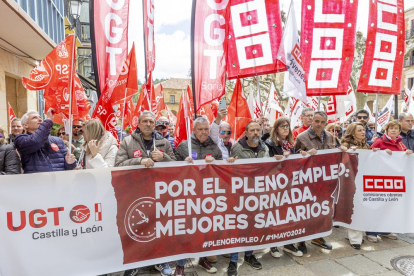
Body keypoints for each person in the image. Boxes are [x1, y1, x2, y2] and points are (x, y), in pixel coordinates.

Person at [115, 110, 176, 276]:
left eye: (151, 122)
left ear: (155, 124)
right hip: (134, 193)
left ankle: (161, 261)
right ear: (139, 124)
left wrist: (163, 158)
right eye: (145, 122)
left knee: (159, 228)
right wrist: (139, 161)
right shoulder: (127, 142)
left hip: (159, 193)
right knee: (135, 228)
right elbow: (118, 165)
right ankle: (134, 263)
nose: (148, 124)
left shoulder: (164, 142)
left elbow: (176, 166)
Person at [174, 117, 221, 276]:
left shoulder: (214, 147)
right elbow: (171, 171)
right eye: (200, 129)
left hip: (208, 196)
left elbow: (223, 169)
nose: (203, 132)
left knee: (204, 229)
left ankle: (202, 258)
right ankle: (180, 264)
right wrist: (183, 165)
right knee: (186, 230)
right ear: (194, 130)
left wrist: (214, 162)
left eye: (206, 129)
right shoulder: (183, 146)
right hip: (187, 197)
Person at [225, 121, 268, 276]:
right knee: (238, 228)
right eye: (253, 130)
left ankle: (249, 255)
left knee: (252, 226)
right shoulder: (238, 147)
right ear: (247, 133)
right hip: (241, 195)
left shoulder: (265, 147)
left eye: (258, 130)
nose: (256, 133)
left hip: (257, 195)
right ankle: (233, 261)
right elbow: (231, 172)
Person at [294, 111, 336, 253]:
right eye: (316, 121)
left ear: (326, 123)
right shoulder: (302, 137)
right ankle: (301, 239)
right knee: (305, 211)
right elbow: (294, 159)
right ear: (312, 121)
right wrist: (302, 154)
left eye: (322, 122)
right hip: (307, 181)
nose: (319, 124)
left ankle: (318, 236)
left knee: (321, 210)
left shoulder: (330, 137)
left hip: (324, 182)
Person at [264, 118, 303, 258]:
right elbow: (266, 162)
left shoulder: (290, 143)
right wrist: (278, 158)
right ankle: (273, 244)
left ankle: (288, 243)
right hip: (276, 184)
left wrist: (301, 156)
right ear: (276, 129)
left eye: (287, 126)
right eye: (282, 126)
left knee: (288, 214)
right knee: (275, 214)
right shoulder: (269, 143)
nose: (285, 128)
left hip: (290, 183)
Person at [367, 120, 412, 243]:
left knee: (389, 205)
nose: (393, 130)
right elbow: (369, 156)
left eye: (395, 129)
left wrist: (407, 153)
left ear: (398, 131)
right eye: (390, 128)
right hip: (380, 178)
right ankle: (371, 231)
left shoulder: (400, 144)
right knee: (377, 204)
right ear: (386, 130)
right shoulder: (380, 142)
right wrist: (380, 153)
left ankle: (385, 229)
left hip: (393, 180)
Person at [340, 122, 373, 249]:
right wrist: (346, 151)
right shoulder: (346, 144)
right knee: (355, 208)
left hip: (363, 180)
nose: (363, 132)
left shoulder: (365, 144)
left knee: (360, 208)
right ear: (352, 132)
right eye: (359, 130)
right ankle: (355, 239)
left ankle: (352, 235)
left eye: (363, 129)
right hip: (351, 181)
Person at [14, 109, 76, 174]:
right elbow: (37, 140)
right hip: (37, 182)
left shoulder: (58, 141)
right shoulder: (21, 139)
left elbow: (68, 167)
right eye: (34, 118)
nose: (40, 120)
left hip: (58, 182)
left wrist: (70, 163)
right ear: (25, 125)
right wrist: (48, 120)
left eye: (40, 117)